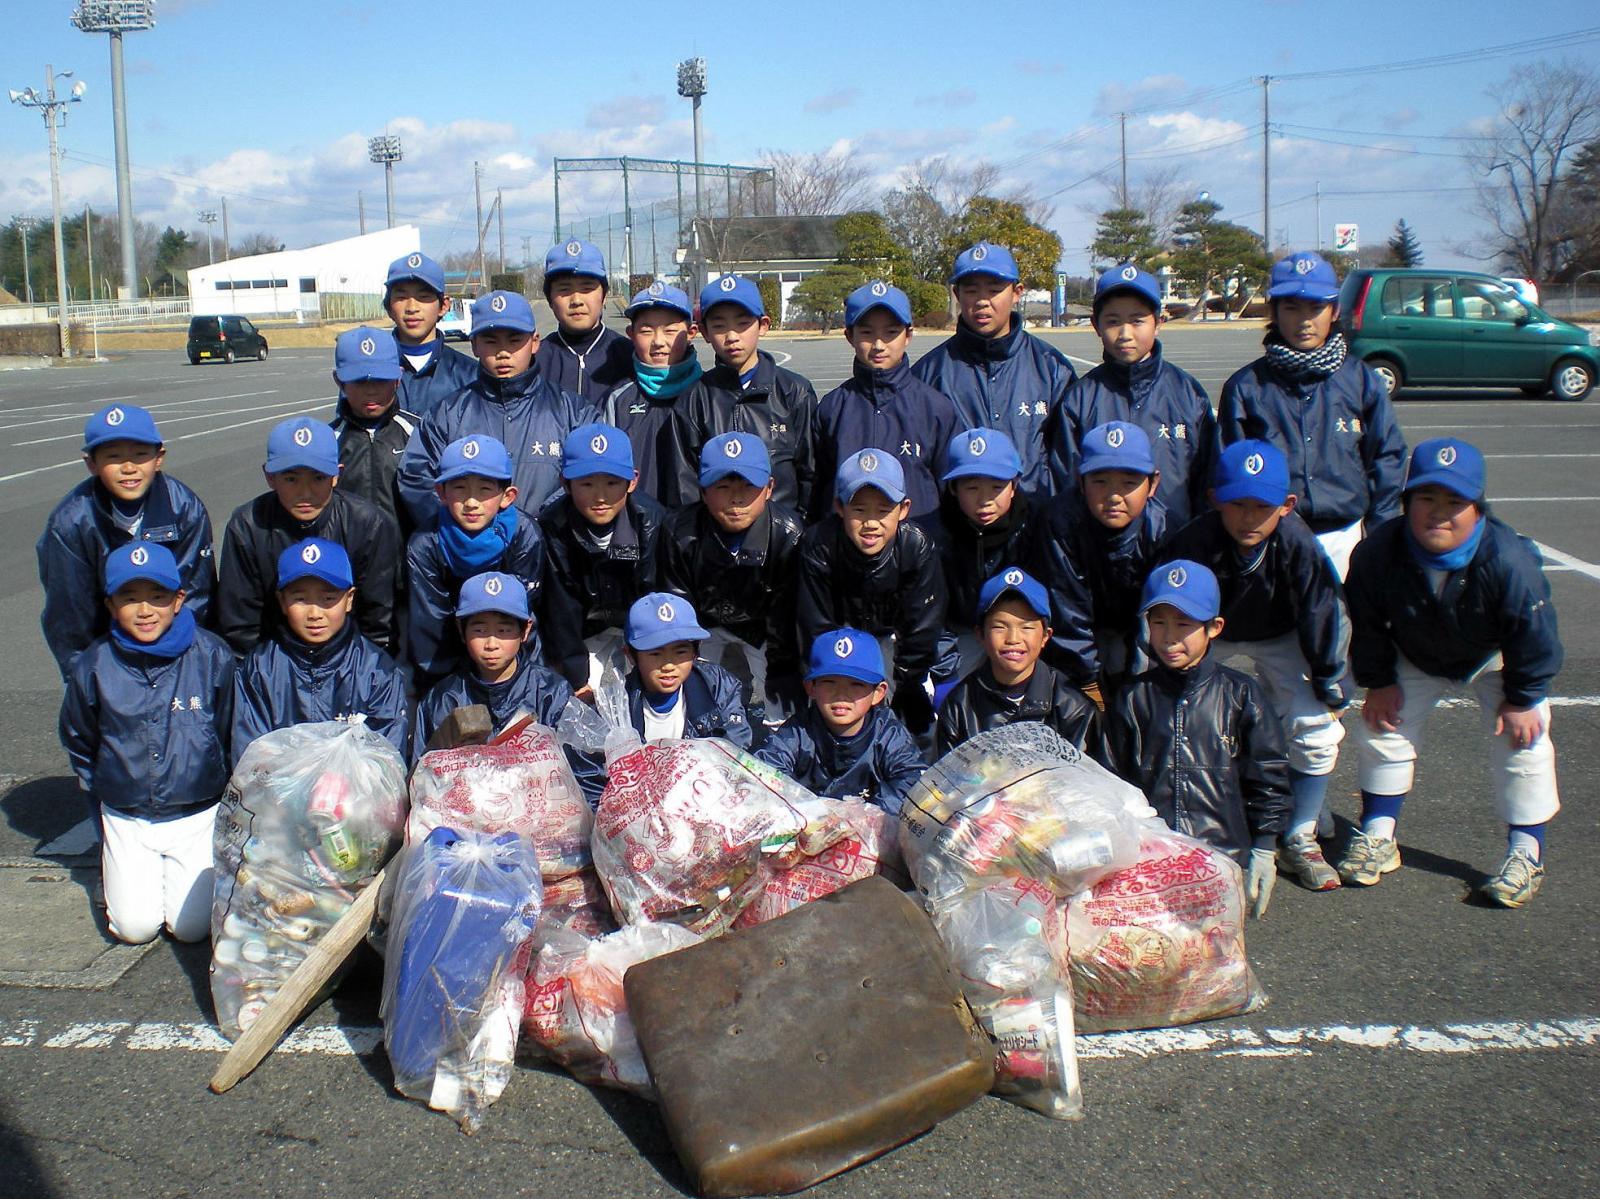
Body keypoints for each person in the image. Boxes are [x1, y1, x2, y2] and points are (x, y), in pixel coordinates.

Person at [1343, 438, 1561, 908]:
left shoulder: (1509, 560)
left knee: (1525, 740)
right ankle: (1379, 834)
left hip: (1493, 657)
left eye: (1454, 501)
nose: (1439, 513)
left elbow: (1535, 636)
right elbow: (1367, 622)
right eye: (1427, 498)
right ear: (1406, 503)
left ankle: (1526, 852)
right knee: (1383, 727)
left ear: (1477, 508)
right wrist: (1378, 681)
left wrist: (1522, 698)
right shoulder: (1379, 551)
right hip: (1416, 649)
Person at [1162, 440, 1352, 892]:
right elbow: (1164, 609)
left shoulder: (1297, 543)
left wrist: (1330, 679)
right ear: (1214, 500)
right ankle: (1186, 814)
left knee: (1316, 725)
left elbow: (1323, 610)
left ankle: (1301, 832)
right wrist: (1158, 672)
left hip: (1282, 634)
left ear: (1286, 506)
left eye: (1262, 506)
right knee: (1180, 715)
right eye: (1237, 504)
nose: (1249, 517)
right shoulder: (1194, 539)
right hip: (1212, 631)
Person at [58, 543, 235, 944]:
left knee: (191, 929)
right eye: (129, 598)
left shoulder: (211, 655)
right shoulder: (95, 664)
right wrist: (106, 783)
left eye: (157, 597)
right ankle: (124, 872)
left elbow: (228, 728)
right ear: (110, 604)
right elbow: (79, 734)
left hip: (196, 812)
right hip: (128, 814)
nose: (144, 610)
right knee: (135, 928)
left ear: (179, 600)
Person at [1105, 561, 1290, 918]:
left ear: (1214, 627)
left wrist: (1265, 846)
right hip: (1149, 864)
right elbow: (1111, 783)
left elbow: (1269, 775)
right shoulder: (1132, 698)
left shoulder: (1241, 694)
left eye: (1184, 624)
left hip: (1221, 859)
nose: (1170, 636)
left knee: (1215, 963)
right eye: (1158, 622)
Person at [1218, 251, 1407, 579]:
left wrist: (1379, 531)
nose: (1304, 320)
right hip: (1272, 538)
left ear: (1334, 311)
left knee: (1347, 627)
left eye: (1315, 308)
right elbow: (1227, 468)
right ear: (1274, 312)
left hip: (1347, 535)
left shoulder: (1360, 381)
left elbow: (1387, 457)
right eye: (1291, 308)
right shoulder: (1246, 387)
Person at [39, 403, 216, 681]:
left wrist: (181, 667)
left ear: (159, 458)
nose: (129, 467)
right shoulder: (71, 522)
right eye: (113, 456)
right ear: (91, 463)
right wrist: (86, 683)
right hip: (108, 658)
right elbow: (70, 617)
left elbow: (195, 595)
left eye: (140, 454)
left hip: (174, 655)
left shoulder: (185, 509)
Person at [397, 289, 592, 527]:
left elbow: (592, 475)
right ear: (474, 345)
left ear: (534, 342)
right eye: (490, 341)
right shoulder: (447, 414)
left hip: (551, 553)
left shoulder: (573, 411)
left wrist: (542, 525)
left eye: (514, 340)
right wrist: (463, 525)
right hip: (471, 555)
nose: (502, 353)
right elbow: (416, 477)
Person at [410, 571, 605, 804]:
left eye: (504, 631)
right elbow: (423, 781)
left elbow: (585, 775)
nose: (491, 644)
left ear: (525, 630)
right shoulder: (443, 699)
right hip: (467, 824)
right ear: (461, 630)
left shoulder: (551, 692)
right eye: (480, 630)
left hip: (542, 821)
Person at [216, 416, 400, 656]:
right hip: (274, 662)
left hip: (350, 661)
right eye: (291, 479)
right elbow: (241, 625)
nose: (305, 493)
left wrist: (359, 675)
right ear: (270, 477)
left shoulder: (369, 524)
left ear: (336, 475)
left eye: (318, 478)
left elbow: (377, 620)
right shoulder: (248, 525)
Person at [795, 449, 947, 739]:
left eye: (883, 510)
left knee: (911, 718)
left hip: (893, 634)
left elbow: (922, 625)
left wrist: (909, 682)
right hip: (840, 632)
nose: (871, 523)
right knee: (839, 712)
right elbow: (815, 624)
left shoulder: (917, 546)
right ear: (840, 507)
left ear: (903, 510)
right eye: (860, 509)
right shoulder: (818, 545)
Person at [1052, 263, 1216, 528]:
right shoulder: (1079, 400)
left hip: (1173, 547)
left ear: (1158, 322)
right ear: (1096, 325)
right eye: (1113, 321)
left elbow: (1206, 481)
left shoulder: (1188, 394)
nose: (1125, 334)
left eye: (1137, 320)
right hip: (1099, 550)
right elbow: (1066, 482)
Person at [911, 240, 1075, 500]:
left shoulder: (1052, 368)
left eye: (995, 290)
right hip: (958, 530)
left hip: (1035, 527)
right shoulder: (928, 374)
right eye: (972, 291)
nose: (982, 302)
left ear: (1017, 292)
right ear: (957, 294)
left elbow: (1068, 465)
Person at [661, 432, 804, 721]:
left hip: (765, 630)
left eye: (749, 486)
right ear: (702, 491)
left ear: (769, 488)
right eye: (723, 486)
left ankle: (784, 744)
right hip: (703, 626)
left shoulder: (789, 533)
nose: (736, 499)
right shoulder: (679, 530)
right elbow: (676, 608)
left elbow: (787, 619)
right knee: (693, 694)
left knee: (783, 696)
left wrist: (780, 670)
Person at [231, 538, 409, 766]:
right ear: (282, 601)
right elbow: (249, 755)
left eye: (328, 598)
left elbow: (388, 757)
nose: (314, 613)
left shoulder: (377, 670)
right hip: (278, 798)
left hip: (357, 799)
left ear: (349, 599)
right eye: (300, 599)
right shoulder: (259, 669)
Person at [1031, 420, 1167, 702]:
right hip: (1077, 634)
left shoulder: (1163, 527)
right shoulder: (1059, 522)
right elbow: (1066, 608)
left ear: (1153, 484)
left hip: (1131, 630)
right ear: (1081, 482)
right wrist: (1088, 680)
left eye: (1129, 482)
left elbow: (1158, 616)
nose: (1114, 496)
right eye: (1100, 481)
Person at [811, 280, 957, 523]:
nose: (879, 345)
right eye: (867, 333)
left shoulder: (935, 408)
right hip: (848, 550)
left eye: (891, 332)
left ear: (908, 335)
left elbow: (951, 490)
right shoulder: (832, 408)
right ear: (849, 336)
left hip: (920, 550)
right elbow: (816, 488)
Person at [538, 422, 667, 698]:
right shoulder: (553, 526)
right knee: (581, 699)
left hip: (636, 620)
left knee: (649, 692)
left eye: (611, 483)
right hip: (587, 625)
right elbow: (561, 610)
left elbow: (653, 595)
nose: (600, 496)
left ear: (632, 481)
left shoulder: (652, 522)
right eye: (586, 483)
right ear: (565, 484)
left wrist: (648, 655)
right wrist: (575, 676)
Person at [405, 435, 543, 689]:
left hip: (507, 651)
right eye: (459, 488)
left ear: (507, 496)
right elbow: (430, 623)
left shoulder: (524, 533)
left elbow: (523, 615)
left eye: (485, 489)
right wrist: (441, 688)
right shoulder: (426, 543)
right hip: (449, 653)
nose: (471, 502)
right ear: (441, 493)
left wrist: (525, 680)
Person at [675, 275, 819, 512]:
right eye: (719, 326)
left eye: (742, 324)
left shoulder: (794, 391)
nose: (732, 337)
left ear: (763, 325)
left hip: (783, 541)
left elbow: (811, 474)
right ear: (704, 332)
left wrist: (797, 533)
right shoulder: (693, 400)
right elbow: (685, 485)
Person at [756, 629, 927, 815]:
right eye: (829, 683)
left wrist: (863, 816)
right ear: (811, 687)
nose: (841, 695)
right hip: (808, 830)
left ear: (878, 693)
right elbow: (765, 772)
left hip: (871, 834)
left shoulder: (888, 734)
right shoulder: (798, 731)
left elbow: (912, 780)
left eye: (856, 684)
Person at [934, 567, 1100, 759]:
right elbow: (949, 779)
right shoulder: (960, 705)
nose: (1013, 638)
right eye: (999, 627)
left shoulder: (1072, 708)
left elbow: (1087, 780)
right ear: (980, 634)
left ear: (1046, 636)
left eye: (1027, 627)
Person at [936, 427, 1042, 682]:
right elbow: (929, 615)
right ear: (953, 488)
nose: (985, 500)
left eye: (996, 487)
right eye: (972, 488)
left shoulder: (1039, 526)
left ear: (1014, 485)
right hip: (960, 638)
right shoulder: (933, 534)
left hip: (1022, 635)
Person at [600, 280, 702, 507]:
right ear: (631, 334)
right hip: (637, 529)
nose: (658, 342)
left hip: (696, 533)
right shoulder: (618, 399)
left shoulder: (708, 395)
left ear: (692, 332)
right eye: (646, 331)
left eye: (670, 330)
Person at [622, 593, 753, 748]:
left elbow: (736, 746)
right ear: (630, 654)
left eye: (680, 652)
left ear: (696, 651)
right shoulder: (618, 703)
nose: (668, 666)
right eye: (655, 654)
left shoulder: (718, 686)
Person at [328, 325, 419, 536]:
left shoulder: (420, 433)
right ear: (339, 381)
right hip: (350, 561)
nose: (370, 390)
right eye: (359, 381)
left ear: (398, 378)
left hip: (407, 560)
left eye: (381, 380)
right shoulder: (328, 441)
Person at [534, 238, 634, 403]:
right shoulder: (536, 361)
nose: (576, 300)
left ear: (604, 295)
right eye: (564, 289)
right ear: (550, 299)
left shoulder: (629, 357)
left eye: (587, 288)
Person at [382, 252, 479, 419]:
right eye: (401, 297)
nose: (412, 307)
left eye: (423, 297)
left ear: (444, 306)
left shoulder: (469, 373)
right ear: (389, 306)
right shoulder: (370, 371)